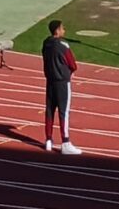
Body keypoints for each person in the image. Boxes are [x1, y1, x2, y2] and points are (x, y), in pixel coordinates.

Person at [41, 20, 80, 155]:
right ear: (57, 30)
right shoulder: (63, 45)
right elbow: (73, 64)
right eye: (62, 28)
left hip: (50, 81)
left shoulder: (46, 43)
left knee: (50, 110)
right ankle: (65, 142)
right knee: (64, 112)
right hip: (62, 83)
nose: (64, 30)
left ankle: (48, 140)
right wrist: (69, 72)